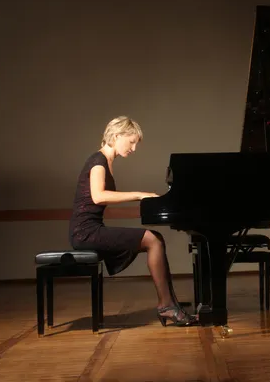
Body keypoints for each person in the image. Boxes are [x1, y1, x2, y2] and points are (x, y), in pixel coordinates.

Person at [68, 115, 196, 327]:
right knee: (153, 240)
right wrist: (140, 195)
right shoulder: (98, 161)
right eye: (132, 142)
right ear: (117, 136)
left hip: (91, 229)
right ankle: (167, 306)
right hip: (85, 232)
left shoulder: (106, 161)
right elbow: (98, 196)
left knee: (155, 239)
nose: (134, 148)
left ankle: (170, 303)